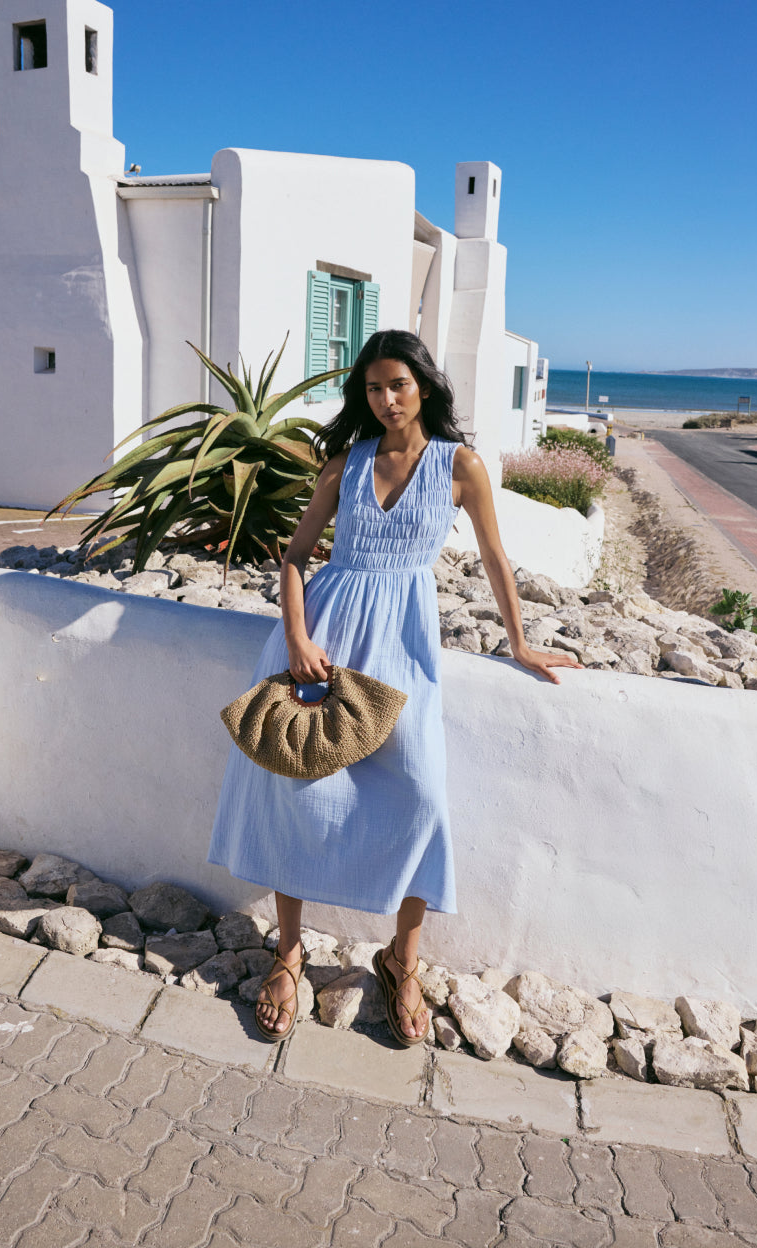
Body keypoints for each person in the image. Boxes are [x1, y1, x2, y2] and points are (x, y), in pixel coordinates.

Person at [208, 329, 581, 1045]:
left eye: (398, 385)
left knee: (420, 793)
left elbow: (496, 558)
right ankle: (289, 955)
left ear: (425, 387)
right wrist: (297, 638)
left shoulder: (460, 465)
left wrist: (520, 643)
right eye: (374, 388)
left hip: (402, 646)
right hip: (323, 639)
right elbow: (295, 557)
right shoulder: (346, 464)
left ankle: (400, 960)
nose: (386, 399)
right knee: (297, 789)